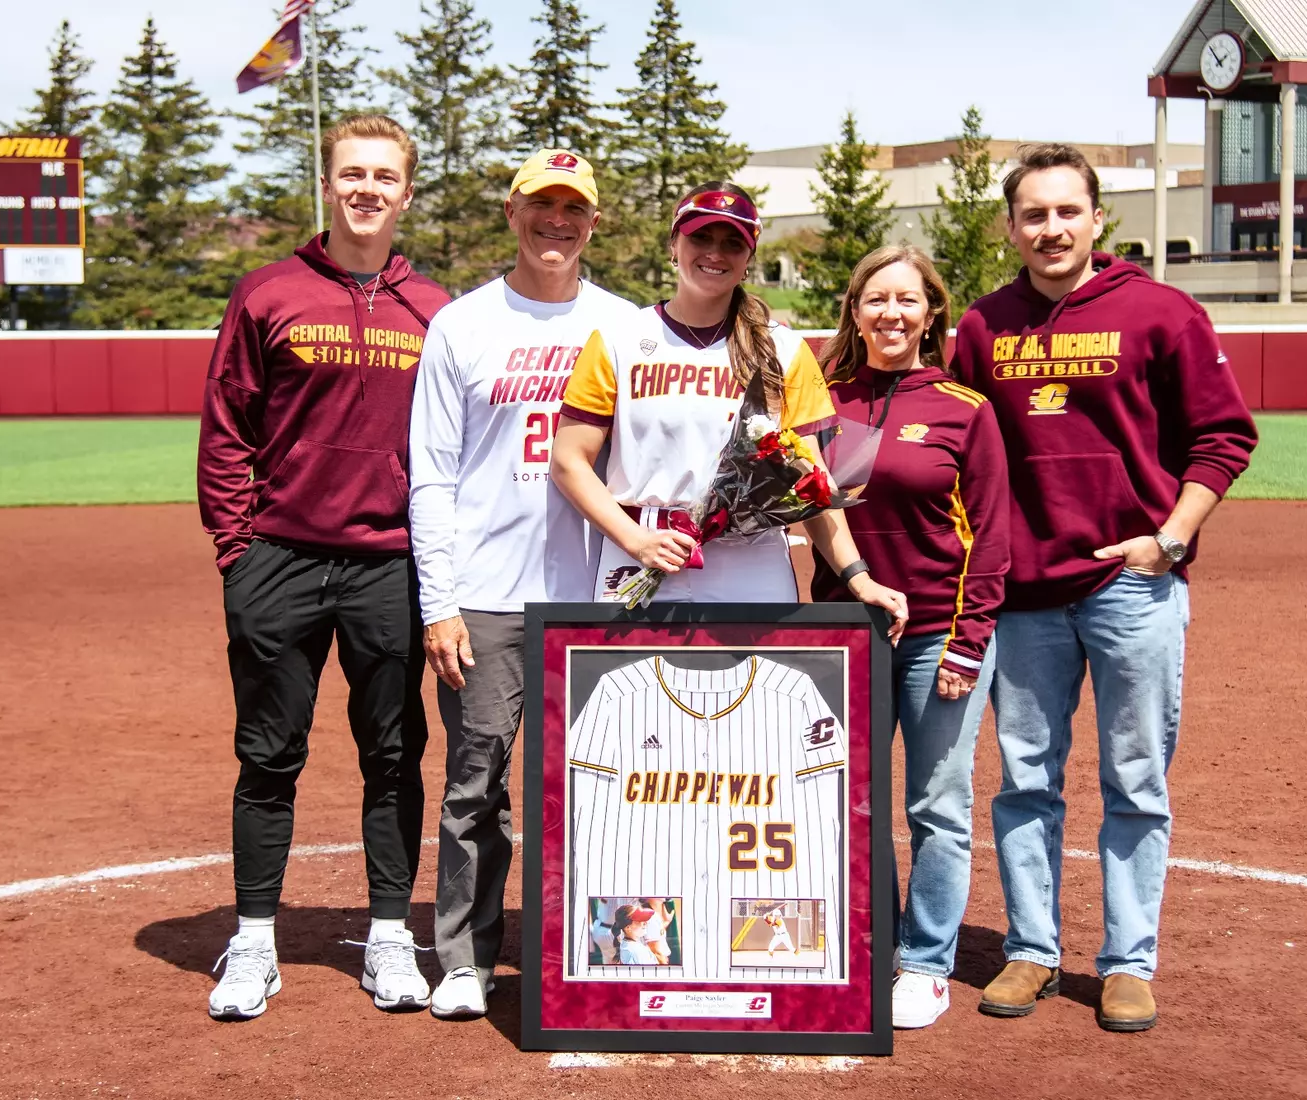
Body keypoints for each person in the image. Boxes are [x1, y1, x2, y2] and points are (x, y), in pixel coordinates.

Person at [948, 143, 1257, 1032]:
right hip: (1025, 593)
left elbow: (1225, 437)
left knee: (1135, 779)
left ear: (1095, 219)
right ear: (1011, 227)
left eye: (1066, 212)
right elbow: (962, 451)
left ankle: (1127, 963)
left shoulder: (1161, 312)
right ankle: (1031, 950)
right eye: (1033, 215)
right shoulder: (984, 326)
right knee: (1025, 779)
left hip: (1132, 584)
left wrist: (1169, 539)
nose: (1051, 229)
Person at [197, 115, 450, 1020]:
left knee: (394, 755)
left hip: (389, 564)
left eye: (384, 176)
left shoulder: (437, 311)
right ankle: (253, 941)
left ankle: (389, 937)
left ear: (406, 192)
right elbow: (226, 426)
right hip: (281, 558)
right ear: (328, 183)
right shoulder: (268, 293)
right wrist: (238, 553)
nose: (366, 189)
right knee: (269, 754)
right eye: (352, 173)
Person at [408, 148, 637, 1020]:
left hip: (599, 594)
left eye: (573, 208)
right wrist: (440, 603)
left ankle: (600, 950)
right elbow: (431, 475)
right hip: (488, 594)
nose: (557, 221)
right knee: (477, 783)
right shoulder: (461, 325)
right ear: (512, 212)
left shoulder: (625, 326)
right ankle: (465, 959)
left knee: (606, 782)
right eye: (542, 203)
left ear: (594, 223)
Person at [548, 181, 908, 627]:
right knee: (629, 675)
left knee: (752, 676)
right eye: (700, 237)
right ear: (674, 245)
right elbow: (568, 460)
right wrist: (635, 539)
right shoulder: (618, 340)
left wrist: (858, 578)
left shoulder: (783, 349)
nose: (715, 253)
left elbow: (813, 486)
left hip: (751, 559)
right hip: (639, 550)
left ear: (748, 259)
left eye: (732, 243)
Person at [809, 245, 1009, 1029]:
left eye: (907, 300)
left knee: (937, 804)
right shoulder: (821, 401)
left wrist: (968, 639)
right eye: (876, 299)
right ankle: (868, 945)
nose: (891, 313)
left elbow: (990, 536)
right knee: (847, 798)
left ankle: (925, 963)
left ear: (931, 314)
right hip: (843, 631)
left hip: (935, 633)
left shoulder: (965, 408)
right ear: (855, 311)